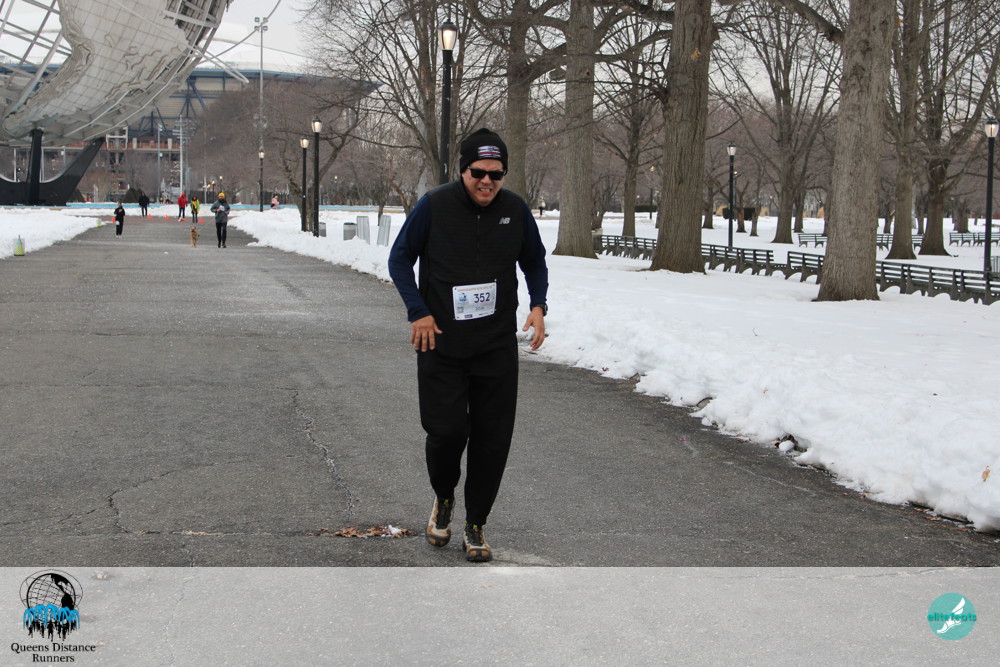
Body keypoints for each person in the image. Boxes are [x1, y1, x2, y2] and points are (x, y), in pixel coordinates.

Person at [388, 128, 548, 563]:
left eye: (496, 174)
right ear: (463, 170)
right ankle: (444, 496)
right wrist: (418, 311)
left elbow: (534, 261)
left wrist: (538, 305)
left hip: (495, 345)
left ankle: (476, 522)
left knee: (492, 439)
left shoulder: (515, 210)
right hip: (440, 341)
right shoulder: (434, 206)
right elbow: (400, 259)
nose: (487, 181)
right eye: (479, 172)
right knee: (447, 432)